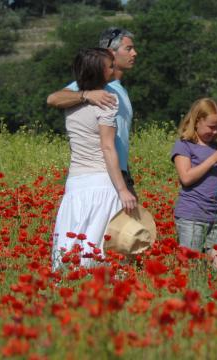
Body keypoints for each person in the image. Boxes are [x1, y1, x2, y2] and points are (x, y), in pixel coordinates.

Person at [51, 48, 136, 270]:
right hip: (102, 183)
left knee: (72, 246)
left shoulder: (72, 100)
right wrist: (122, 189)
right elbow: (107, 147)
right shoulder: (107, 100)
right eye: (109, 65)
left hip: (76, 183)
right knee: (102, 248)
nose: (113, 68)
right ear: (99, 71)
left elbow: (53, 99)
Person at [47, 27, 138, 195]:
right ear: (111, 52)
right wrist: (87, 95)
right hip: (102, 177)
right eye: (128, 49)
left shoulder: (121, 90)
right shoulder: (96, 86)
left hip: (120, 175)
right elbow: (53, 99)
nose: (134, 53)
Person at [170, 98, 217, 269]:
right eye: (211, 126)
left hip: (214, 217)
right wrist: (213, 159)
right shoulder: (184, 145)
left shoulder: (214, 146)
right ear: (197, 121)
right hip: (191, 217)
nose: (215, 131)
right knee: (190, 268)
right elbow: (185, 178)